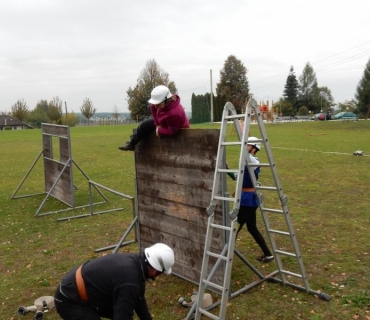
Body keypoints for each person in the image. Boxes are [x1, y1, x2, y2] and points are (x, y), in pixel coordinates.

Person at [54, 243, 175, 320]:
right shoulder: (130, 281)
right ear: (155, 271)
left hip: (85, 290)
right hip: (69, 299)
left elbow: (139, 300)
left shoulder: (137, 264)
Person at [227, 137, 274, 263]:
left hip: (247, 201)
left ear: (254, 148)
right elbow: (237, 176)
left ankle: (226, 254)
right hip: (248, 200)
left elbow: (245, 154)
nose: (245, 147)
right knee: (252, 228)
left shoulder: (254, 161)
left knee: (234, 226)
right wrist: (227, 168)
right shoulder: (248, 161)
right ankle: (268, 255)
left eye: (247, 145)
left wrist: (242, 130)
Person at [119, 85, 190, 151]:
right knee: (144, 125)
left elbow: (172, 131)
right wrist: (157, 124)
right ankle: (131, 144)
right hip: (164, 122)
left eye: (158, 104)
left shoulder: (174, 113)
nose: (156, 107)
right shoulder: (160, 104)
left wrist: (158, 131)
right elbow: (153, 107)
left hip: (176, 127)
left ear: (165, 100)